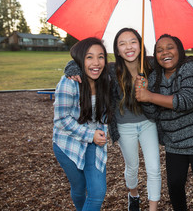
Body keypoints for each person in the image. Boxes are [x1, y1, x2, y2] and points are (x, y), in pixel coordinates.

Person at [64, 28, 161, 211]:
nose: (128, 47)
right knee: (132, 167)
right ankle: (133, 196)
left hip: (148, 124)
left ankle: (152, 208)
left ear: (140, 45)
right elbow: (79, 63)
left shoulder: (151, 66)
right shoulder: (110, 69)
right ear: (117, 50)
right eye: (122, 44)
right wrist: (72, 68)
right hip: (124, 126)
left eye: (133, 42)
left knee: (154, 168)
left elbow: (174, 61)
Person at [135, 34, 193, 211]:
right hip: (174, 142)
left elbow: (185, 101)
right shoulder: (154, 77)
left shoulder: (190, 67)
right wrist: (143, 95)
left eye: (170, 47)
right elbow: (152, 113)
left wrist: (150, 96)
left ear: (179, 50)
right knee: (174, 185)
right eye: (159, 50)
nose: (165, 52)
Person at [53, 37, 112, 211]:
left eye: (101, 57)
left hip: (95, 143)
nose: (96, 62)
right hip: (68, 144)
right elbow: (61, 120)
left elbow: (129, 64)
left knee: (97, 192)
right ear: (80, 59)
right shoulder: (69, 82)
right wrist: (90, 135)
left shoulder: (106, 79)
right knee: (79, 188)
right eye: (89, 57)